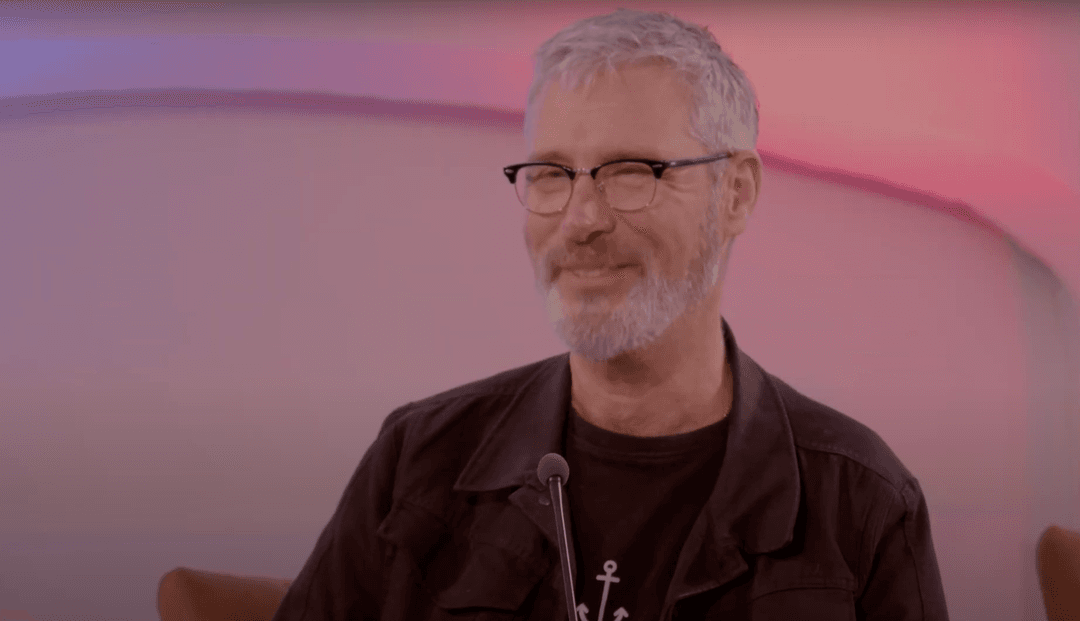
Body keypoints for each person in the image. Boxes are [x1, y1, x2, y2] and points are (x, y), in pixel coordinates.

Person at [271, 9, 949, 621]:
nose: (581, 220)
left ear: (736, 194)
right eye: (551, 174)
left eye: (631, 171)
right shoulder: (415, 462)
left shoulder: (861, 499)